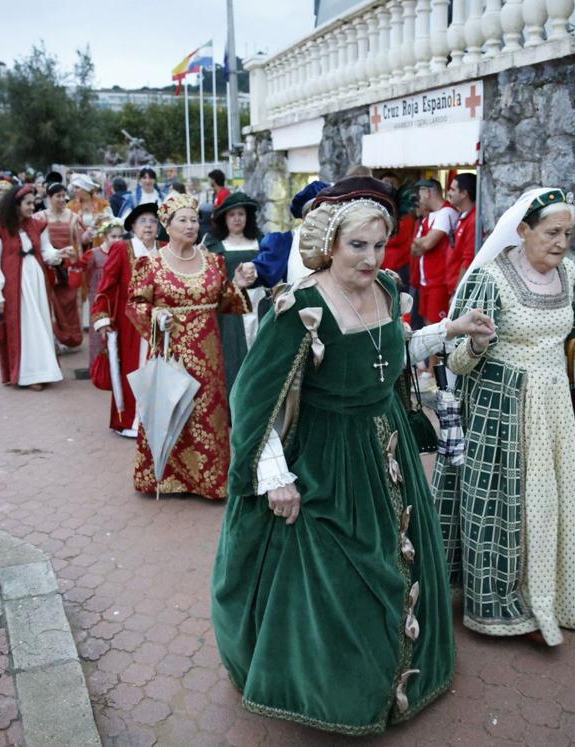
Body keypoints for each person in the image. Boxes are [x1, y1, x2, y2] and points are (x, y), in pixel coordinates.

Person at [211, 177, 456, 735]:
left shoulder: (391, 291)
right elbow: (253, 399)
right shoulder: (300, 308)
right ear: (330, 244)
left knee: (403, 563)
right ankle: (340, 693)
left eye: (379, 244)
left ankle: (405, 672)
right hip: (325, 457)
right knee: (340, 578)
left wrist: (445, 331)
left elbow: (390, 357)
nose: (372, 258)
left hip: (384, 447)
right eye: (358, 246)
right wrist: (274, 476)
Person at [433, 187, 575, 647]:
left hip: (554, 408)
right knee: (507, 506)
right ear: (523, 230)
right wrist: (474, 344)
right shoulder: (489, 280)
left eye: (568, 234)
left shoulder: (572, 275)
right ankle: (498, 600)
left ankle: (547, 595)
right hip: (502, 410)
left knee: (551, 502)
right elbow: (454, 361)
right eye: (551, 232)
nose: (560, 243)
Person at [125, 192, 255, 499]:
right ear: (166, 226)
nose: (190, 226)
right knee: (170, 409)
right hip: (171, 352)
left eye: (194, 220)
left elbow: (224, 301)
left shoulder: (213, 262)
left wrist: (238, 285)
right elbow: (135, 304)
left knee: (208, 415)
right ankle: (167, 477)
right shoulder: (151, 264)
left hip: (208, 356)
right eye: (182, 220)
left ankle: (209, 481)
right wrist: (156, 315)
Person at [0, 185, 75, 390]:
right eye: (27, 203)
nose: (32, 207)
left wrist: (59, 254)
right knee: (24, 326)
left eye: (33, 203)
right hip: (15, 285)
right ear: (15, 206)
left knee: (40, 323)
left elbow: (45, 250)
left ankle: (45, 370)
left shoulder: (37, 225)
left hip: (36, 281)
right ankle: (28, 375)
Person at [89, 204, 161, 436]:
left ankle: (155, 421)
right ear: (132, 227)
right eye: (143, 221)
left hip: (160, 323)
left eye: (153, 221)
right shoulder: (122, 249)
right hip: (129, 324)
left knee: (158, 369)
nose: (148, 225)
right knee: (132, 369)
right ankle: (130, 421)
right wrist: (102, 319)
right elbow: (106, 286)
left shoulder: (165, 249)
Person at [203, 192, 266, 391]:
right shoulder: (214, 247)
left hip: (261, 303)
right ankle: (234, 406)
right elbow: (210, 281)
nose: (237, 219)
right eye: (232, 215)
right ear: (225, 219)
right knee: (233, 352)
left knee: (261, 352)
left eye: (241, 214)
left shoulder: (262, 242)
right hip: (230, 307)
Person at [34, 183, 84, 352]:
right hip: (47, 266)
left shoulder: (73, 217)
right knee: (49, 302)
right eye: (58, 196)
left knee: (69, 302)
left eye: (64, 196)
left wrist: (78, 264)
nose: (62, 199)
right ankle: (53, 339)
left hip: (67, 268)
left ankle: (69, 338)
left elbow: (79, 243)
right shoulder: (39, 218)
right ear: (49, 198)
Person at [252, 180, 330, 288]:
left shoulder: (342, 238)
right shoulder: (286, 242)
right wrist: (251, 271)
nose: (320, 217)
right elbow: (263, 271)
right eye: (315, 210)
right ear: (304, 216)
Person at [410, 179, 458, 326]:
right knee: (426, 325)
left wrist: (423, 243)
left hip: (439, 282)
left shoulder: (447, 212)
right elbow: (414, 249)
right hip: (426, 282)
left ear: (428, 192)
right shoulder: (429, 217)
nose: (419, 198)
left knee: (435, 327)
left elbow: (427, 243)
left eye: (420, 193)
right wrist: (422, 243)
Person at [85, 218, 126, 371]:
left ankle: (115, 365)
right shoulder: (94, 254)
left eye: (119, 236)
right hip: (99, 296)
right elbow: (84, 270)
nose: (117, 240)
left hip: (117, 296)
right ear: (105, 237)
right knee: (98, 332)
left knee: (116, 328)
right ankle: (97, 367)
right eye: (113, 236)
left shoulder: (124, 253)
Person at [447, 173, 477, 291]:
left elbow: (468, 259)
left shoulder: (473, 220)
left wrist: (458, 291)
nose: (449, 193)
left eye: (453, 190)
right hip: (451, 285)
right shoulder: (463, 217)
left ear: (464, 194)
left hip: (458, 289)